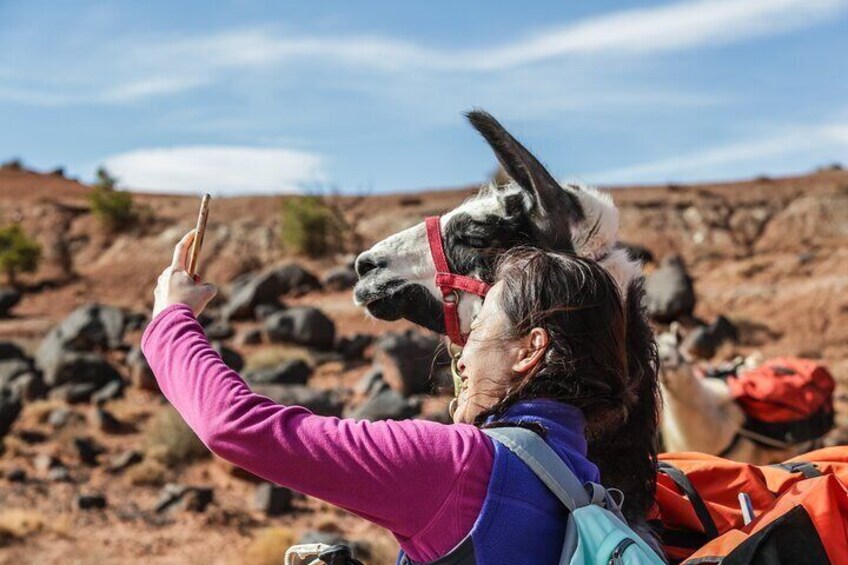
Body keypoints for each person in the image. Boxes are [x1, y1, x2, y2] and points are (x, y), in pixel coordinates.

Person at [143, 231, 662, 564]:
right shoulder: (588, 488)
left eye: (478, 329)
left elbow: (234, 427)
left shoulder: (459, 466)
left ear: (530, 350)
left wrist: (171, 318)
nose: (461, 358)